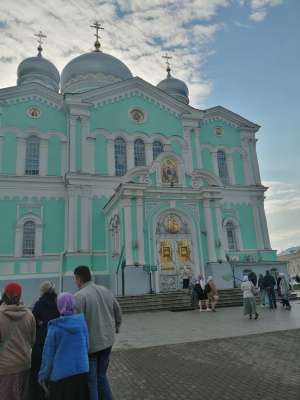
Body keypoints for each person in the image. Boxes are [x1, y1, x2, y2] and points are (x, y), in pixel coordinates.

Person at [74, 265, 122, 400]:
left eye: (74, 279)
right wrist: (117, 326)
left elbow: (76, 324)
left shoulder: (79, 296)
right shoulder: (105, 290)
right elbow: (118, 310)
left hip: (92, 346)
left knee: (92, 381)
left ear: (78, 279)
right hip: (107, 342)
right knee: (101, 376)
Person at [38, 292, 89, 400]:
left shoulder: (55, 327)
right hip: (81, 372)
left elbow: (48, 355)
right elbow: (87, 345)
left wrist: (43, 375)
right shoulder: (81, 322)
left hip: (62, 377)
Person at [0, 282, 36, 400]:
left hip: (5, 368)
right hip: (25, 364)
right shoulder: (29, 315)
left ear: (5, 295)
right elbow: (32, 340)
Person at [30, 281, 60, 400]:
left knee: (39, 369)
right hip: (57, 341)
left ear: (42, 291)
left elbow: (33, 320)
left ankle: (40, 394)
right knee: (54, 369)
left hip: (42, 341)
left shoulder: (39, 304)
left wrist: (39, 322)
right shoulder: (58, 302)